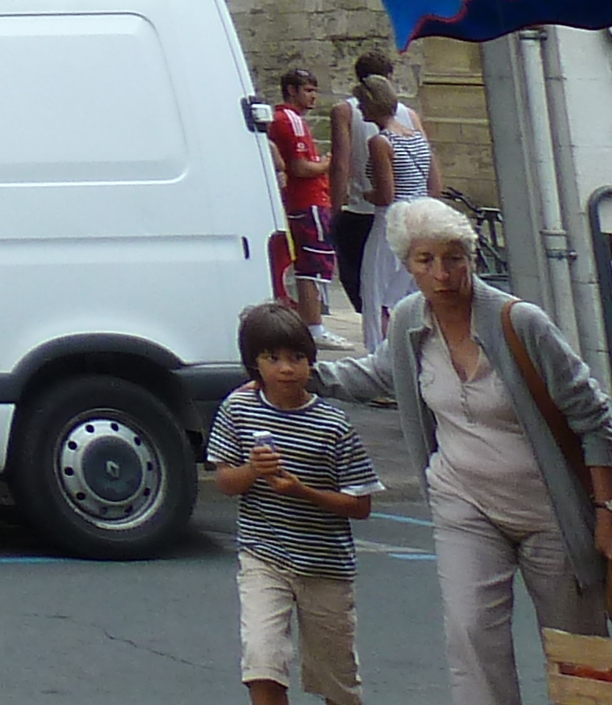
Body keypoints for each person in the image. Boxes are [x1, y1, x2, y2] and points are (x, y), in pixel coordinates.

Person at [320, 197, 612, 705]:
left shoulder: (520, 323)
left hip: (549, 510)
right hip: (464, 502)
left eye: (454, 257)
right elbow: (375, 374)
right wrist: (304, 377)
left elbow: (594, 417)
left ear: (472, 258)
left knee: (576, 651)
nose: (441, 273)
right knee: (471, 636)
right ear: (407, 265)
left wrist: (605, 511)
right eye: (425, 260)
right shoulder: (409, 322)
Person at [209, 299, 377, 705]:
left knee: (336, 680)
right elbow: (226, 482)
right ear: (255, 365)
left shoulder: (332, 424)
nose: (286, 369)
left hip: (325, 566)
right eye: (273, 358)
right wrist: (253, 471)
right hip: (264, 559)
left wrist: (304, 492)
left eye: (297, 357)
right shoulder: (239, 409)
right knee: (262, 663)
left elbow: (360, 504)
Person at [357, 67, 435, 348]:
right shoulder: (415, 135)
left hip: (391, 222)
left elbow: (386, 194)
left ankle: (381, 354)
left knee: (377, 293)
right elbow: (431, 180)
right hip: (419, 216)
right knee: (408, 290)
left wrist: (365, 194)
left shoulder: (380, 142)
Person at [271, 69, 340, 328]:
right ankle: (315, 326)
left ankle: (312, 323)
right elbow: (300, 167)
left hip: (300, 202)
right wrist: (327, 164)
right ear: (292, 90)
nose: (314, 97)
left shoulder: (282, 119)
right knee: (312, 264)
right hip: (308, 201)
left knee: (306, 263)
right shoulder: (291, 120)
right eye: (308, 90)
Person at [331, 55, 388, 326]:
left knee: (358, 278)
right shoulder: (406, 113)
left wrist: (334, 207)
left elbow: (340, 162)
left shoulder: (345, 110)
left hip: (361, 206)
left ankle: (377, 332)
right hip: (400, 209)